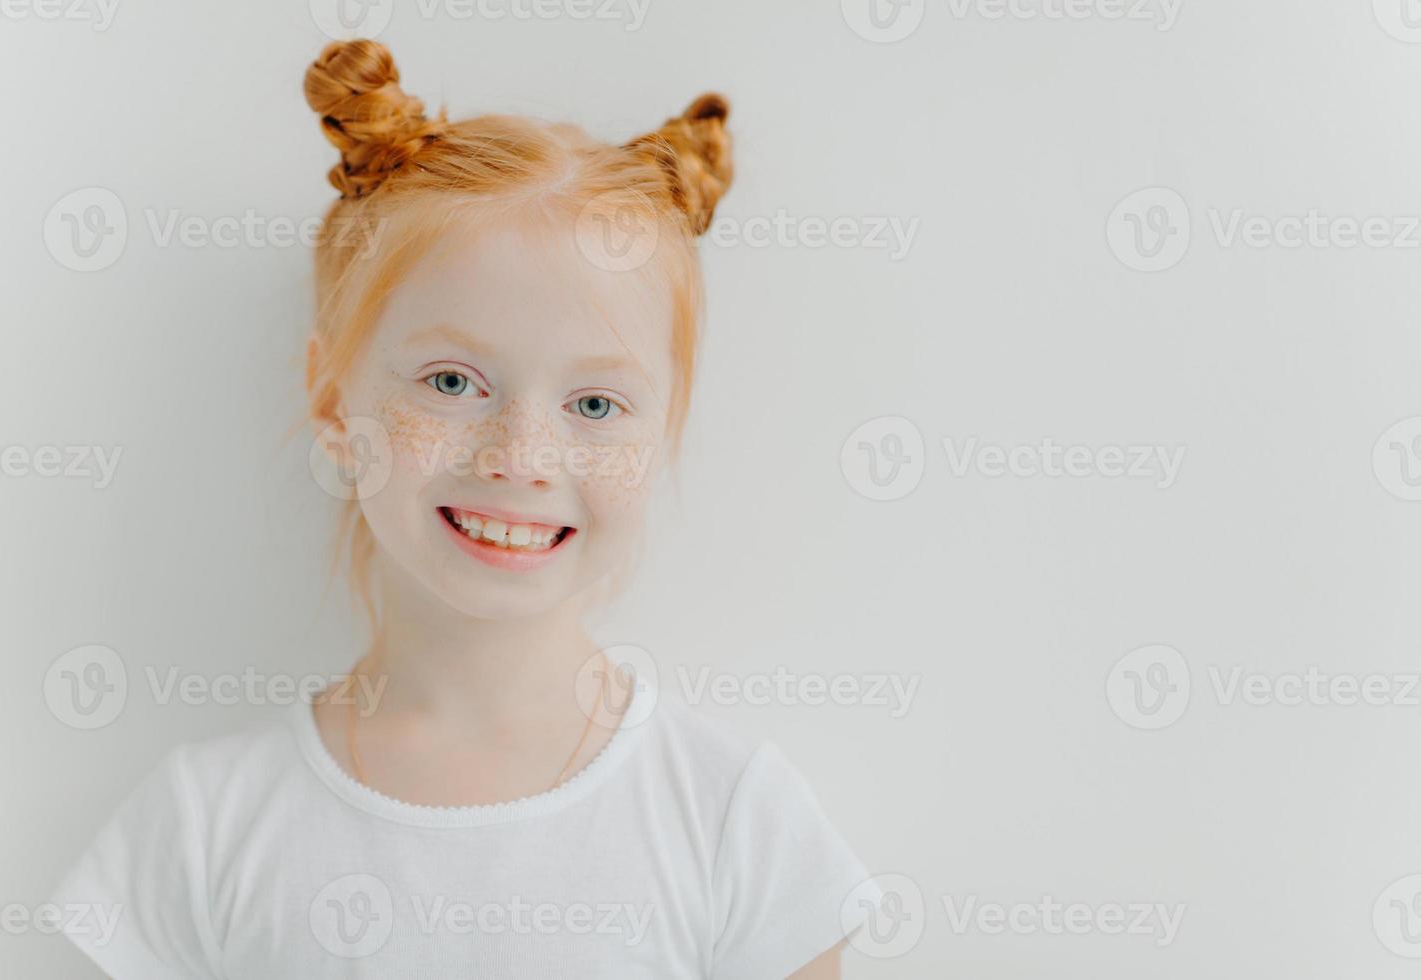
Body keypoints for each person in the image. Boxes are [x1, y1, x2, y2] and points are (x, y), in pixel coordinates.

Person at [49, 38, 880, 978]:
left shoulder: (736, 823)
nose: (519, 458)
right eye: (452, 381)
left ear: (664, 433)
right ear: (333, 404)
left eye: (596, 405)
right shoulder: (200, 834)